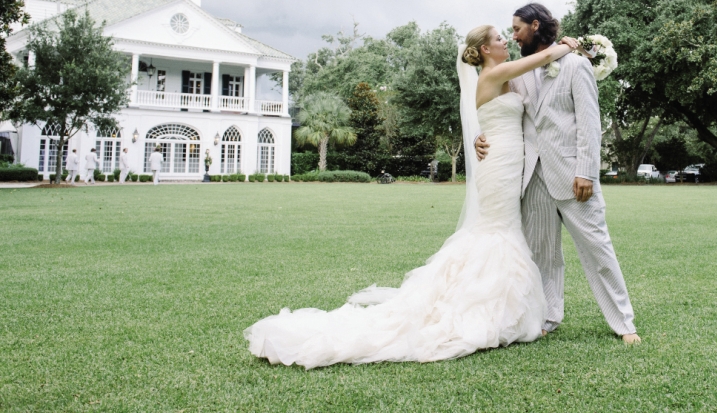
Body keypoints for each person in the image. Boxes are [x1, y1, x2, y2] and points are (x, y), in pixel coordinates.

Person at [244, 26, 577, 367]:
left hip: (506, 159)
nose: (506, 41)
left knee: (502, 228)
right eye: (499, 39)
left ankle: (502, 304)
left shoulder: (503, 75)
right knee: (497, 230)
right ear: (486, 51)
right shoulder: (495, 73)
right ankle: (488, 307)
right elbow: (546, 56)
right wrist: (572, 45)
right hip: (498, 165)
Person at [476, 3, 640, 345]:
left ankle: (624, 322)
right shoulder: (515, 71)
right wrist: (481, 138)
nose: (513, 35)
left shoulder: (576, 65)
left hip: (571, 174)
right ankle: (548, 316)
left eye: (518, 28)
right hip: (531, 176)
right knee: (541, 254)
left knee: (597, 248)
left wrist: (586, 171)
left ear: (535, 26)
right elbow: (503, 115)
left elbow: (589, 123)